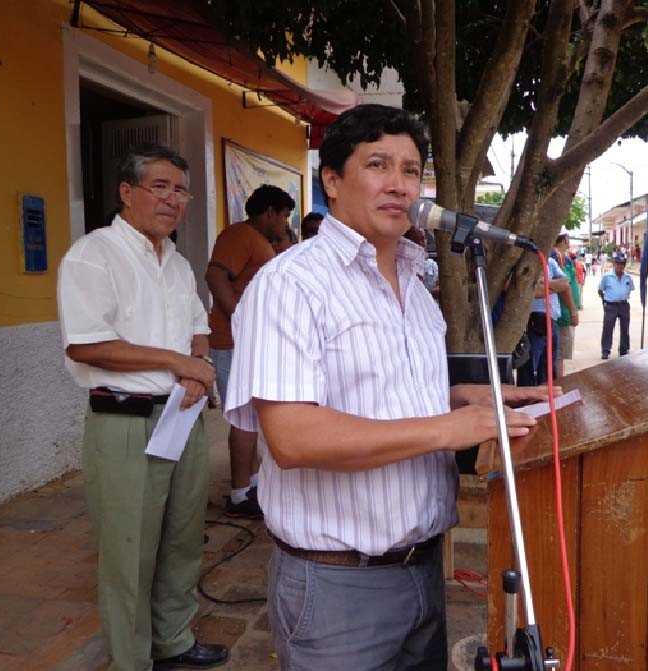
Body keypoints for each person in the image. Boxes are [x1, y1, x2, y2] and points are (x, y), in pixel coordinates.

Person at [224, 104, 548, 671]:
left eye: (410, 169)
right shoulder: (291, 285)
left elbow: (382, 392)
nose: (399, 184)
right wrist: (448, 428)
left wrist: (463, 399)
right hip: (338, 589)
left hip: (423, 569)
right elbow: (293, 437)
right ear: (331, 180)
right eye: (378, 165)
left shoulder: (415, 285)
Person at [57, 145, 228, 671]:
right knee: (129, 551)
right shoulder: (94, 254)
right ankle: (133, 659)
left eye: (181, 191)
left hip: (182, 417)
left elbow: (198, 327)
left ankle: (174, 640)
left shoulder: (177, 263)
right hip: (125, 421)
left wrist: (196, 369)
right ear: (127, 192)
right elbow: (86, 344)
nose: (173, 199)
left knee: (182, 537)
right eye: (160, 187)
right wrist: (179, 362)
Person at [206, 184, 294, 518]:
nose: (285, 223)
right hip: (232, 341)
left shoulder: (262, 240)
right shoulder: (239, 236)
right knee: (242, 417)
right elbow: (215, 276)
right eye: (283, 216)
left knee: (254, 416)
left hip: (250, 340)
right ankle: (240, 494)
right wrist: (240, 319)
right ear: (269, 212)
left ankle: (252, 483)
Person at [520, 254, 567, 384]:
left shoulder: (550, 262)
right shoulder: (524, 262)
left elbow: (564, 284)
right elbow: (528, 291)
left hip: (551, 320)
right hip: (531, 321)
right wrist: (552, 286)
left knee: (549, 365)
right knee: (530, 364)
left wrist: (541, 284)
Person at [598, 252, 634, 359]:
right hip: (611, 305)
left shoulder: (628, 277)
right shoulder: (607, 276)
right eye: (618, 263)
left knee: (625, 328)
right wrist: (605, 301)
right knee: (608, 328)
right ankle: (605, 351)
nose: (620, 266)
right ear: (614, 263)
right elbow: (600, 290)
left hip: (624, 305)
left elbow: (630, 289)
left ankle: (623, 350)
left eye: (622, 264)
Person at [552, 234, 580, 365]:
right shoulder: (555, 258)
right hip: (563, 313)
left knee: (561, 354)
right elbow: (563, 287)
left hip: (567, 312)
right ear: (563, 241)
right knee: (558, 354)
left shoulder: (566, 259)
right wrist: (573, 311)